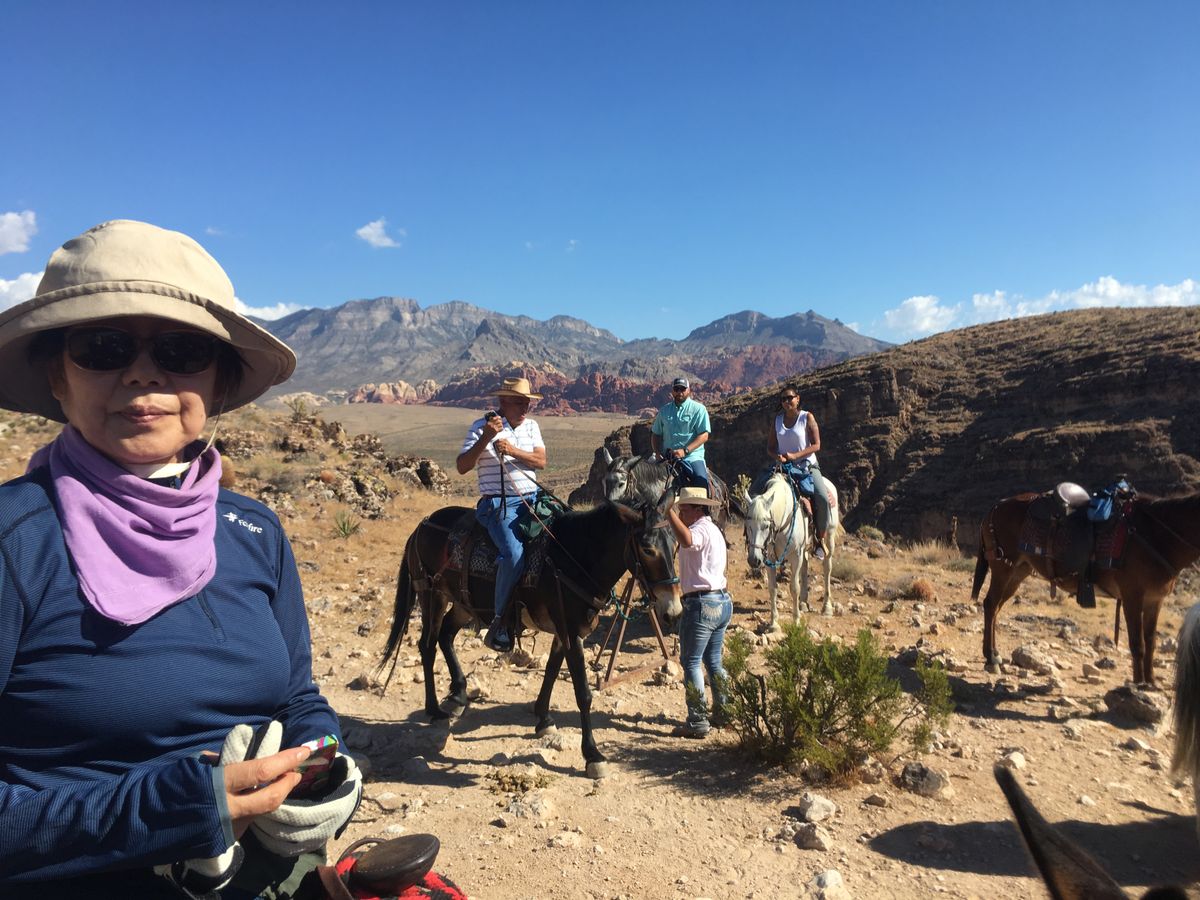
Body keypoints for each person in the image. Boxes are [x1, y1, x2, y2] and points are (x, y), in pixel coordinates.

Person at [0, 220, 362, 899]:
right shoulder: (14, 540)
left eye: (183, 349)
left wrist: (326, 763)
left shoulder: (255, 531)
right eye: (103, 346)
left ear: (218, 382)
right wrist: (177, 812)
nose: (143, 372)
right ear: (56, 375)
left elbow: (297, 696)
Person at [456, 377, 546, 653]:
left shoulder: (532, 426)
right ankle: (500, 622)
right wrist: (486, 437)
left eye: (528, 402)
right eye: (520, 402)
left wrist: (512, 450)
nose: (526, 407)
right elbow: (462, 466)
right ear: (503, 402)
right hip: (499, 504)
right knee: (513, 554)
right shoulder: (480, 427)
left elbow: (541, 461)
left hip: (533, 500)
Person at [666, 486, 732, 738]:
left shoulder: (701, 530)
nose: (680, 515)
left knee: (691, 661)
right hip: (721, 601)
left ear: (696, 509)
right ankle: (724, 712)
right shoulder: (714, 530)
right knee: (713, 661)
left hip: (702, 604)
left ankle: (697, 721)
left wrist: (667, 512)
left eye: (683, 510)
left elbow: (687, 540)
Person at [767, 386, 832, 560]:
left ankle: (820, 540)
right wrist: (778, 457)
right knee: (759, 492)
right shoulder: (777, 420)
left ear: (798, 398)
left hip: (807, 466)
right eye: (783, 399)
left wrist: (796, 455)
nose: (787, 401)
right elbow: (770, 448)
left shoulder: (806, 417)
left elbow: (816, 445)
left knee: (822, 498)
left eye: (790, 397)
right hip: (785, 468)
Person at [650, 376, 711, 491]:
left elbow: (704, 436)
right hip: (667, 458)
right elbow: (655, 434)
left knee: (701, 485)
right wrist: (657, 453)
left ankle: (703, 503)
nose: (679, 392)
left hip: (692, 457)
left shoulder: (699, 410)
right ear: (672, 391)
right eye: (676, 389)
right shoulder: (664, 411)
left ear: (689, 390)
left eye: (682, 389)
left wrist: (685, 451)